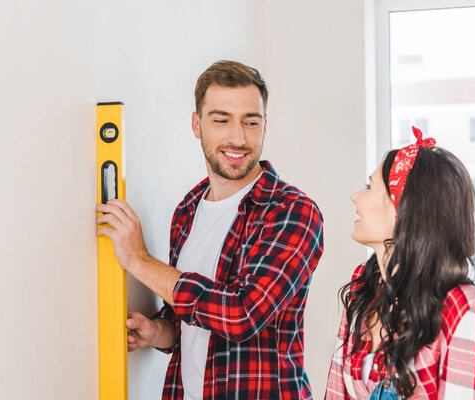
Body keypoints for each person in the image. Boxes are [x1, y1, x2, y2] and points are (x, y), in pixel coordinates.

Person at [96, 60, 324, 400]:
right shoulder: (188, 210)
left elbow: (242, 314)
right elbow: (189, 317)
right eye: (221, 120)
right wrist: (158, 332)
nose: (238, 137)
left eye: (251, 121)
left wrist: (140, 261)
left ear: (265, 126)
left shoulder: (292, 210)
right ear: (197, 124)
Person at [325, 127, 475, 399]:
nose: (356, 196)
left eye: (370, 187)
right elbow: (335, 392)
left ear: (402, 210)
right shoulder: (363, 289)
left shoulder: (463, 313)